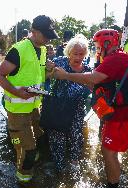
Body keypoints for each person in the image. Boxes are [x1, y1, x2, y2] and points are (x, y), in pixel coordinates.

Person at [54, 29, 128, 188]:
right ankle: (113, 180)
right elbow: (96, 83)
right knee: (110, 150)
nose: (96, 49)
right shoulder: (119, 57)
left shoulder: (115, 58)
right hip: (123, 112)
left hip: (124, 114)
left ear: (106, 43)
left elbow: (92, 78)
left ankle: (112, 185)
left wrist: (66, 76)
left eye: (96, 45)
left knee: (108, 151)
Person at [0, 15, 58, 183]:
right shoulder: (19, 49)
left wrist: (50, 71)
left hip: (34, 107)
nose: (48, 39)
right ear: (34, 32)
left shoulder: (43, 49)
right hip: (17, 110)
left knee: (40, 138)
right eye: (46, 35)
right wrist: (16, 92)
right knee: (27, 150)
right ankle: (23, 180)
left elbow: (37, 75)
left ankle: (30, 170)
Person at [41, 34, 92, 173]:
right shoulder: (59, 62)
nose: (78, 57)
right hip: (57, 106)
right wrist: (48, 69)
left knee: (76, 135)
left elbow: (91, 87)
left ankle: (74, 161)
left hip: (76, 107)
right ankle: (59, 165)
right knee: (57, 137)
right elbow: (44, 77)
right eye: (75, 53)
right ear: (69, 52)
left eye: (82, 54)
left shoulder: (87, 70)